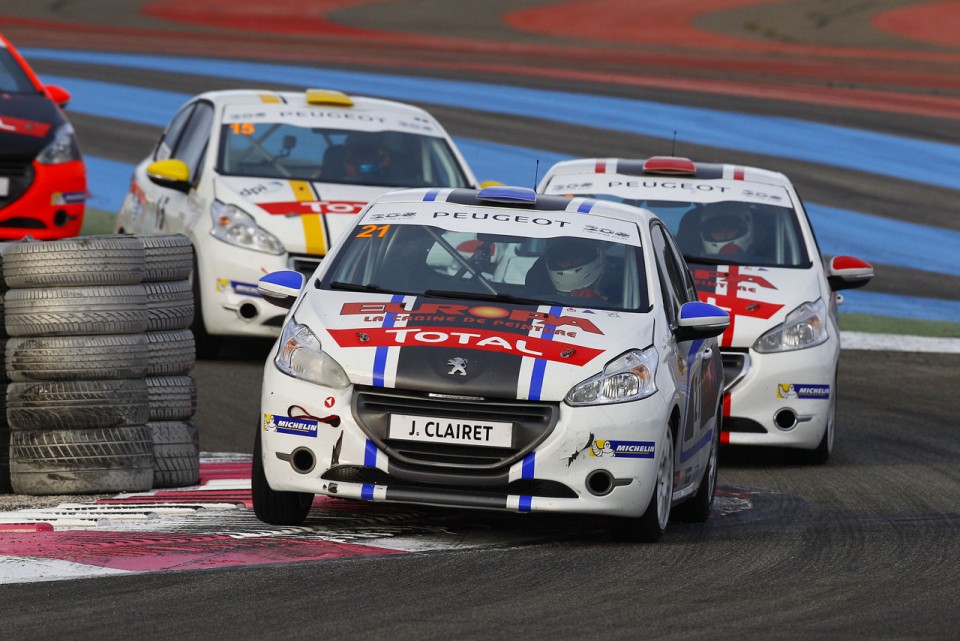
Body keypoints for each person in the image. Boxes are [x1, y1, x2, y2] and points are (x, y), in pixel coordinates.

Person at [544, 237, 609, 300]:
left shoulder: (614, 289)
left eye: (575, 254)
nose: (569, 261)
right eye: (561, 257)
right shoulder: (543, 297)